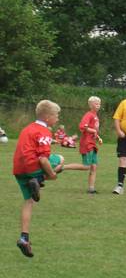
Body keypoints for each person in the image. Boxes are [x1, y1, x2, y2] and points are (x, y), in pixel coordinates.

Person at [12, 100, 85, 258]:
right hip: (33, 167)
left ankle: (24, 238)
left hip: (18, 169)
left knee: (29, 201)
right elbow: (43, 159)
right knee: (59, 158)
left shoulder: (27, 128)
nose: (57, 118)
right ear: (47, 117)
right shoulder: (44, 131)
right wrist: (52, 176)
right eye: (56, 115)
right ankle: (38, 180)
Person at [78, 96, 103, 194]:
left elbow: (94, 131)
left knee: (94, 166)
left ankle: (91, 188)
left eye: (99, 104)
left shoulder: (96, 116)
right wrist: (92, 130)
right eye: (96, 104)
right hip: (87, 143)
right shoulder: (88, 115)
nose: (98, 105)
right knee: (86, 166)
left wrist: (98, 138)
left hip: (92, 143)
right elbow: (82, 127)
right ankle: (63, 167)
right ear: (91, 105)